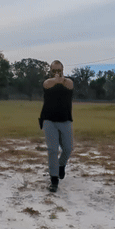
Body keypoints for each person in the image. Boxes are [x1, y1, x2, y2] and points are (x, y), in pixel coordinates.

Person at [39, 60, 74, 193]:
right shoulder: (47, 83)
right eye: (54, 71)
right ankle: (54, 179)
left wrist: (61, 80)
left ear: (63, 70)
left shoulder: (68, 82)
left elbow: (69, 84)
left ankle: (61, 166)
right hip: (49, 120)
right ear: (50, 71)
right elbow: (49, 83)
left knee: (68, 148)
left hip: (65, 120)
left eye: (59, 70)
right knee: (53, 150)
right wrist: (56, 79)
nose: (57, 73)